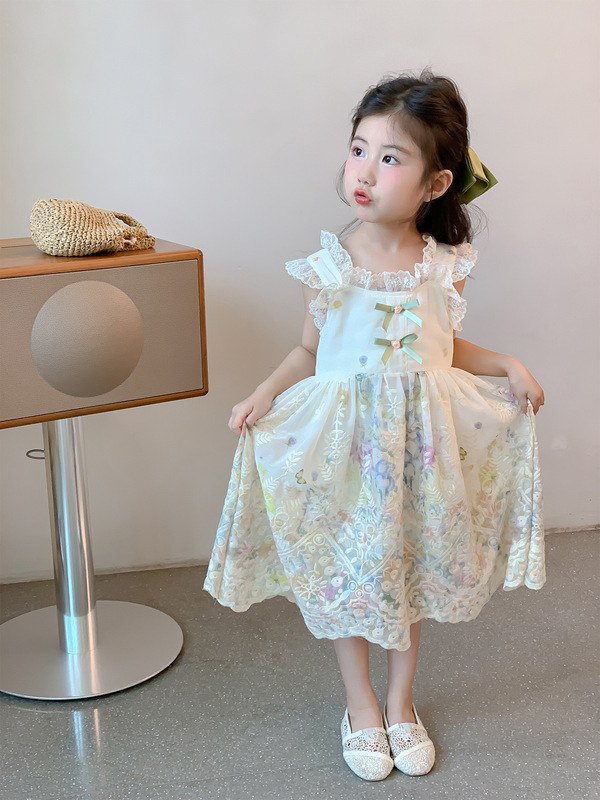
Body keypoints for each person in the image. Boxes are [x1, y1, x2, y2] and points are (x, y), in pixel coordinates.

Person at [203, 68, 546, 782]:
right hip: (348, 455)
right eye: (359, 149)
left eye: (390, 158)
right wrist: (263, 394)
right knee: (354, 573)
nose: (363, 171)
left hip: (418, 452)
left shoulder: (443, 266)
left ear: (435, 184)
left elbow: (444, 350)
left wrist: (507, 364)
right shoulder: (329, 266)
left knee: (404, 570)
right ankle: (360, 703)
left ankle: (400, 702)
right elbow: (309, 351)